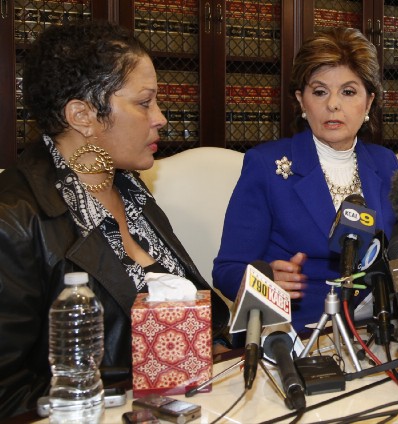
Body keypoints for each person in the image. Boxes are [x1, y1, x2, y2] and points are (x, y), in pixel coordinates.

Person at [0, 21, 230, 418]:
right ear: (82, 115)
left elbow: (200, 317)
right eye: (144, 103)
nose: (160, 118)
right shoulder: (14, 221)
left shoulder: (133, 193)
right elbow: (9, 396)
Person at [213, 27, 398, 329]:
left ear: (368, 102)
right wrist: (265, 281)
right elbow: (227, 270)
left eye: (348, 92)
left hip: (374, 330)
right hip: (296, 333)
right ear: (301, 100)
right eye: (320, 91)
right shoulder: (265, 165)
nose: (333, 104)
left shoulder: (385, 163)